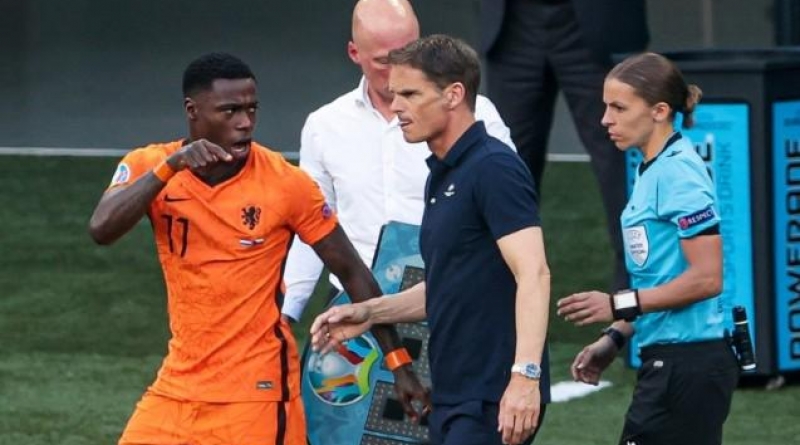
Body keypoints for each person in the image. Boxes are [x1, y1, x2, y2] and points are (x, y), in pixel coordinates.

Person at [87, 52, 428, 445]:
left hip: (257, 393)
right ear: (193, 111)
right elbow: (102, 229)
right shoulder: (152, 165)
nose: (245, 122)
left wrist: (399, 364)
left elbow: (352, 272)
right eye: (230, 111)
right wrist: (170, 168)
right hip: (179, 385)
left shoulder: (285, 183)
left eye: (251, 109)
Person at [310, 35, 551, 445]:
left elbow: (534, 273)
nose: (396, 107)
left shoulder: (494, 168)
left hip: (491, 394)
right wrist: (370, 312)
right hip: (453, 391)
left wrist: (525, 378)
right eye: (394, 94)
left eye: (410, 94)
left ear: (453, 95)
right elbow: (447, 284)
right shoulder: (442, 175)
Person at [281, 0, 515, 324]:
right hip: (355, 299)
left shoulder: (475, 114)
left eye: (408, 53)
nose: (398, 71)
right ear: (354, 53)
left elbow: (508, 211)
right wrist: (286, 313)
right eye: (383, 61)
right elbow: (312, 223)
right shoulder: (324, 127)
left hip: (451, 296)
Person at [556, 52, 739, 445]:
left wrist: (616, 304)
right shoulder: (651, 168)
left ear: (659, 111)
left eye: (619, 107)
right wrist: (615, 336)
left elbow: (707, 279)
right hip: (672, 360)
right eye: (606, 106)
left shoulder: (678, 172)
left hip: (688, 364)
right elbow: (659, 278)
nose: (605, 119)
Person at [481, 0, 650, 291]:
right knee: (504, 163)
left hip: (600, 24)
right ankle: (499, 299)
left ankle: (639, 295)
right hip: (513, 25)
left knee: (620, 160)